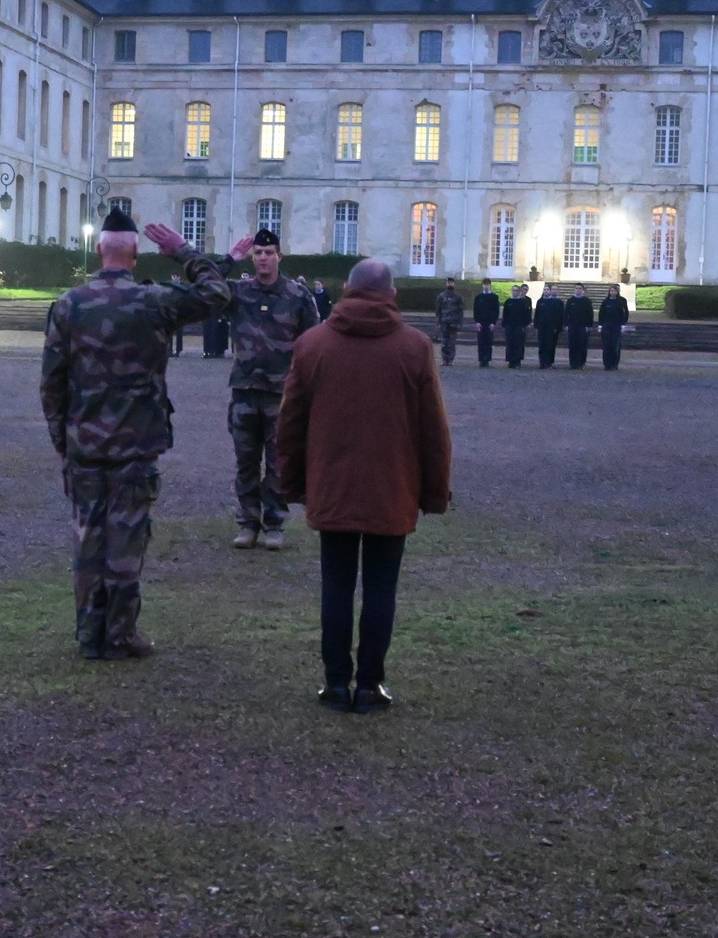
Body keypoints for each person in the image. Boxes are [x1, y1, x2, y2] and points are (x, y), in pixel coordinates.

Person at [40, 206, 230, 660]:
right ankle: (120, 633)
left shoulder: (70, 303)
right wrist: (183, 252)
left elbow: (51, 383)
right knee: (126, 539)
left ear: (98, 249)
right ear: (137, 253)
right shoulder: (154, 300)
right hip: (136, 441)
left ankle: (89, 634)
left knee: (88, 538)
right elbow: (217, 294)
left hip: (85, 443)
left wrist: (64, 443)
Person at [276, 258, 452, 715]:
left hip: (332, 485)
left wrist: (293, 484)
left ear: (345, 291)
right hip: (391, 487)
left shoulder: (313, 344)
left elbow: (290, 424)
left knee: (335, 587)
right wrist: (433, 492)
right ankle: (369, 685)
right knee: (380, 589)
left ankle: (336, 683)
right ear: (391, 295)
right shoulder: (414, 347)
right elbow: (433, 427)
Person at [221, 228, 322, 550]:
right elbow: (203, 288)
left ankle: (274, 524)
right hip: (245, 390)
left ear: (279, 255)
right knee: (246, 462)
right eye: (258, 254)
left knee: (278, 462)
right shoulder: (239, 292)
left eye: (269, 253)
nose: (263, 258)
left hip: (282, 394)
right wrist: (229, 260)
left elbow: (313, 343)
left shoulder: (297, 296)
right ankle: (248, 522)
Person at [597, 284, 628, 370]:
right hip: (606, 326)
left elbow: (622, 315)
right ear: (609, 292)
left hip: (616, 327)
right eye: (611, 291)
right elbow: (601, 314)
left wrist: (623, 326)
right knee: (606, 346)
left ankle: (614, 364)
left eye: (614, 291)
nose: (613, 292)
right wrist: (600, 325)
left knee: (615, 346)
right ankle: (607, 364)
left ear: (617, 292)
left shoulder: (619, 303)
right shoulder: (605, 302)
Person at [563, 283, 595, 370]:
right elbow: (566, 314)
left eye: (580, 288)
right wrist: (566, 325)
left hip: (583, 326)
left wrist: (589, 325)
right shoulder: (570, 301)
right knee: (572, 345)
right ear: (574, 290)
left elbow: (590, 314)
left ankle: (581, 362)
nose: (578, 290)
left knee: (582, 345)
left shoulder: (587, 301)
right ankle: (573, 363)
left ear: (583, 290)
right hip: (572, 326)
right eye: (576, 288)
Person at [533, 284, 564, 368]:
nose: (546, 291)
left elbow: (556, 316)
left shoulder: (554, 302)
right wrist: (536, 326)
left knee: (549, 345)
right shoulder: (540, 301)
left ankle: (548, 362)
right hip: (541, 327)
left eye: (547, 290)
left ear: (550, 291)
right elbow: (537, 315)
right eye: (544, 289)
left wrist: (556, 327)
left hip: (550, 328)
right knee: (541, 345)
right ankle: (542, 362)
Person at [502, 283, 532, 368]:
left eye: (516, 290)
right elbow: (505, 314)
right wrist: (504, 325)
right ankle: (510, 361)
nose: (514, 292)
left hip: (519, 326)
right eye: (513, 290)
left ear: (519, 292)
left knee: (518, 344)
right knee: (510, 343)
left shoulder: (523, 302)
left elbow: (527, 315)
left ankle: (517, 361)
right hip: (509, 326)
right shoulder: (508, 302)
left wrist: (525, 324)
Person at [435, 279, 463, 367]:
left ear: (454, 284)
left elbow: (460, 310)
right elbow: (438, 310)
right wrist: (438, 322)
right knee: (444, 341)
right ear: (446, 284)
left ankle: (450, 359)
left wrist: (459, 322)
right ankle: (444, 359)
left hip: (453, 322)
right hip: (444, 322)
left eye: (451, 283)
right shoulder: (441, 296)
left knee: (452, 342)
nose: (450, 284)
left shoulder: (458, 296)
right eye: (448, 283)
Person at [472, 280, 500, 367]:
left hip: (490, 322)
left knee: (488, 342)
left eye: (488, 285)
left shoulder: (494, 297)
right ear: (482, 286)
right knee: (481, 342)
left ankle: (487, 359)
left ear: (490, 286)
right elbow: (475, 310)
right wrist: (477, 322)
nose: (486, 286)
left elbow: (496, 311)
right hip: (480, 322)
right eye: (485, 285)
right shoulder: (478, 297)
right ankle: (481, 359)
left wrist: (493, 322)